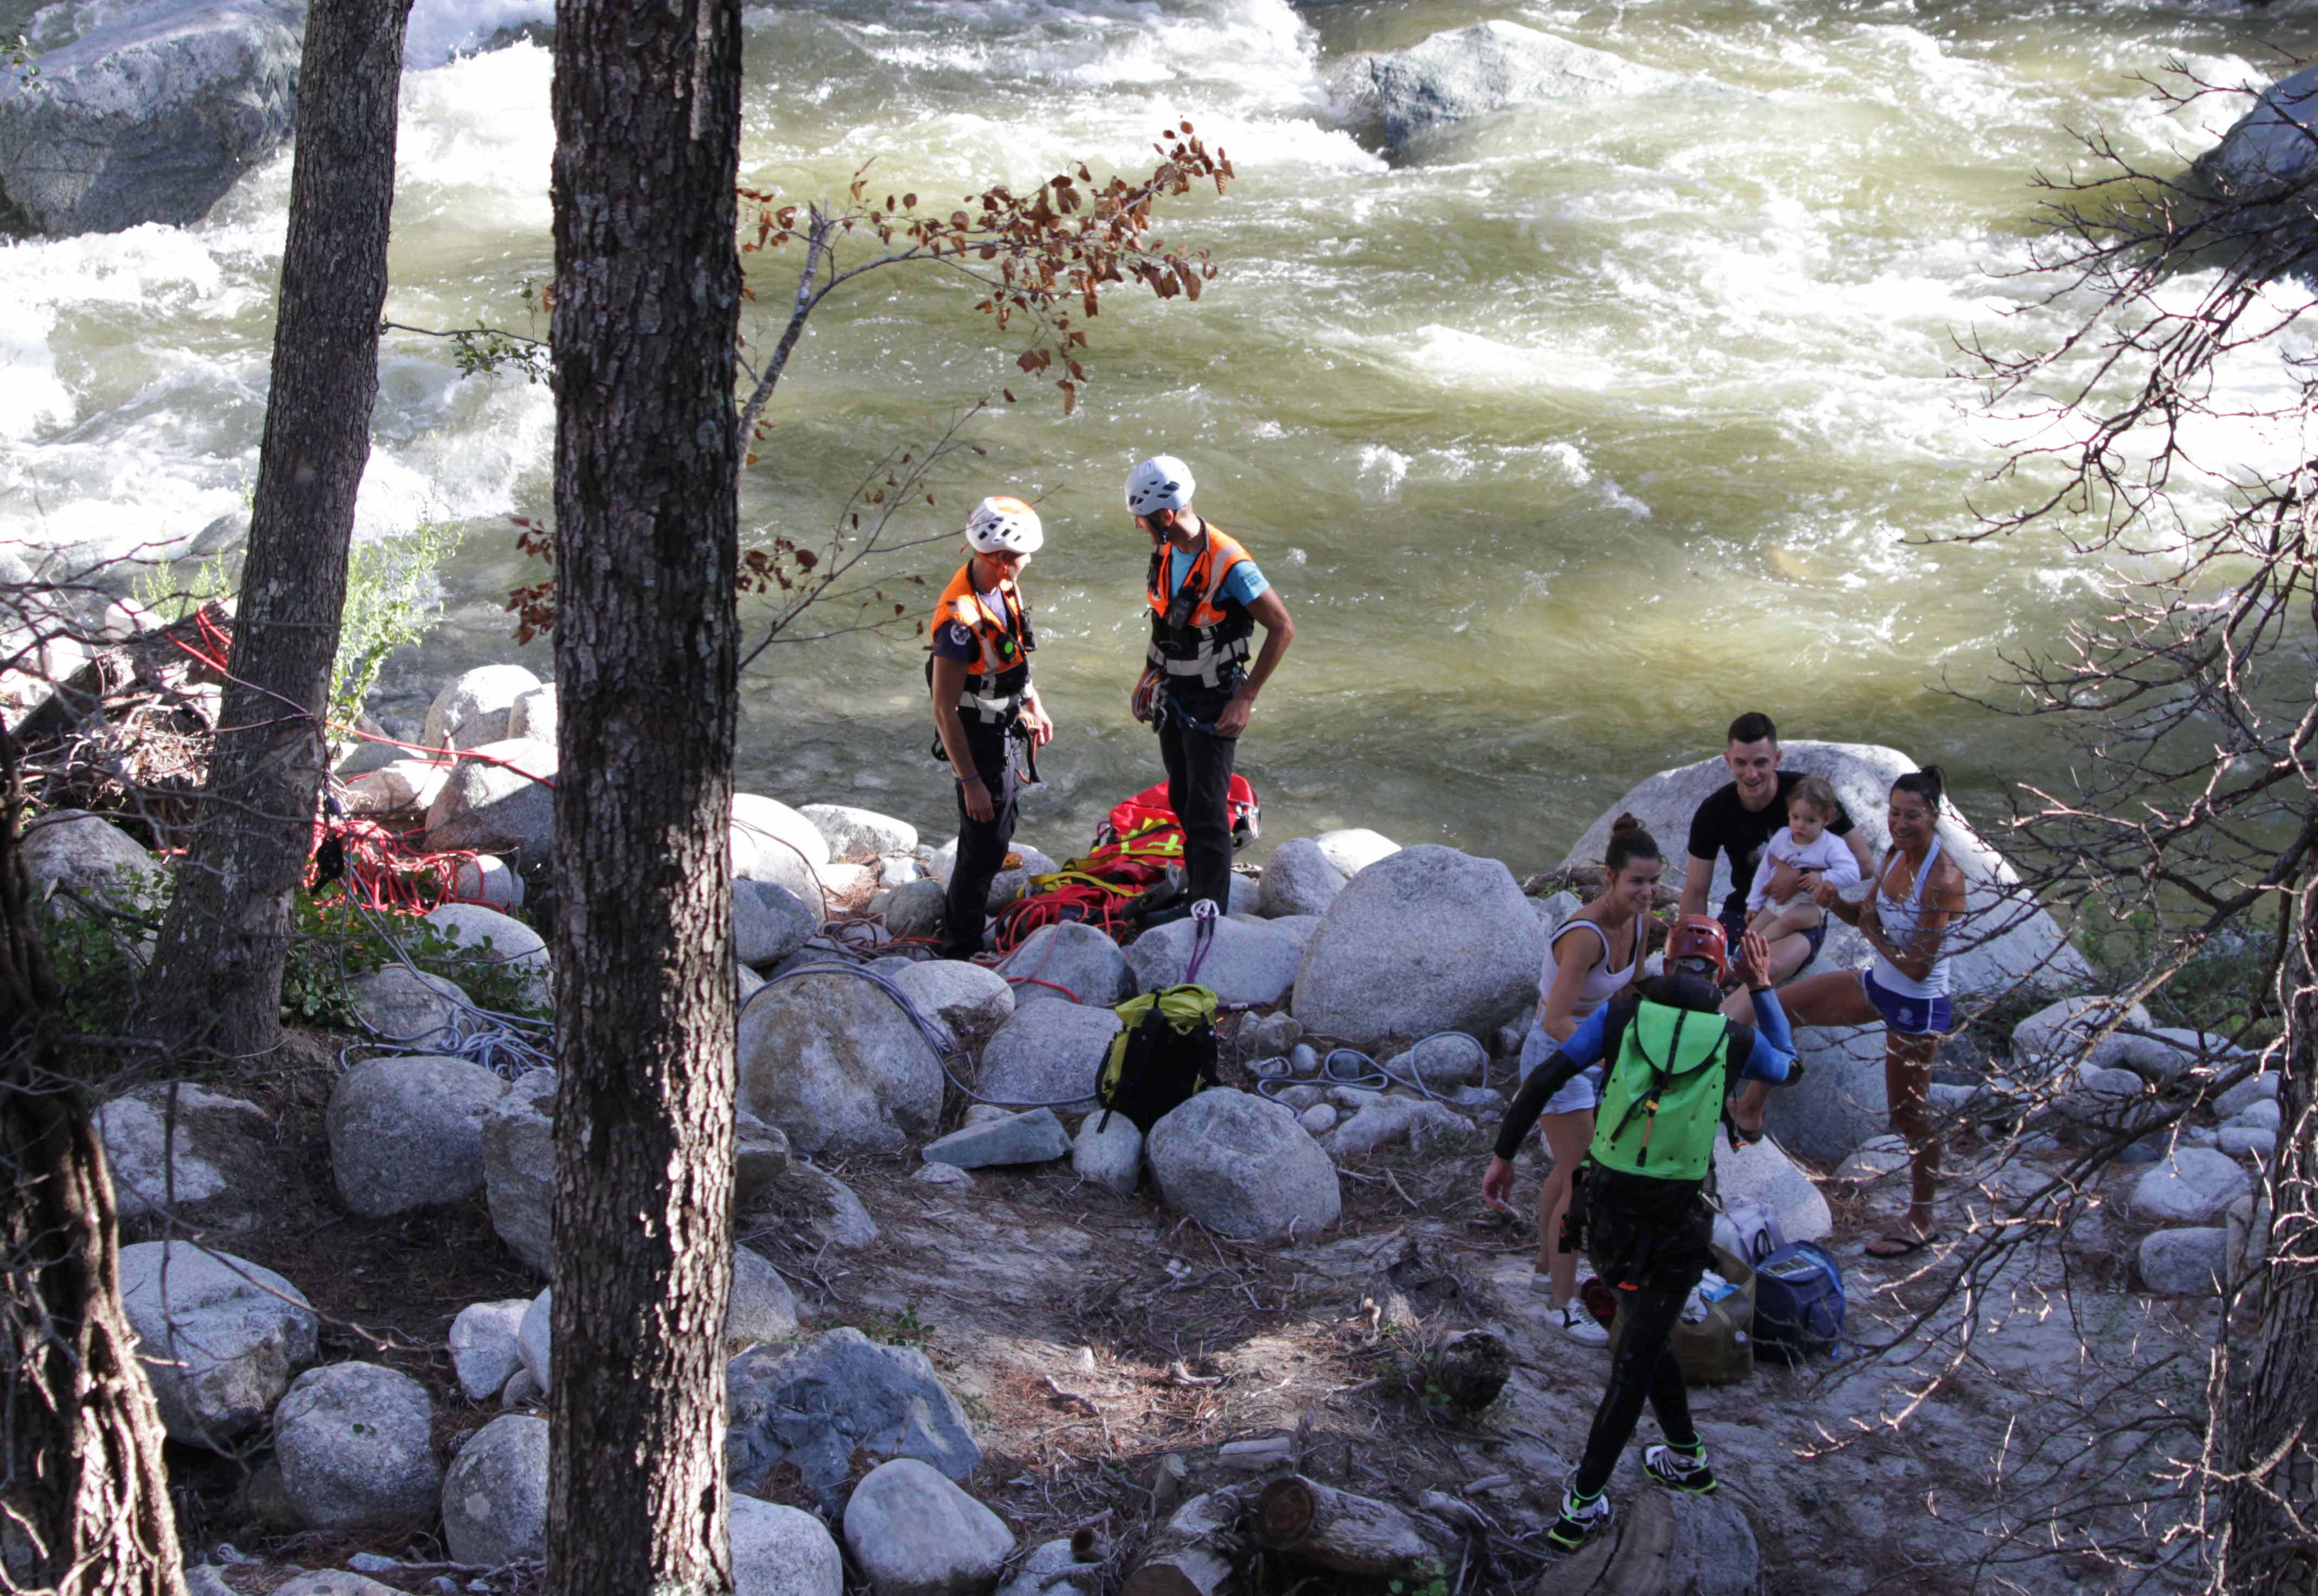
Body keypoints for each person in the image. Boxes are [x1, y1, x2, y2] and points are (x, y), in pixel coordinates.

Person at [1481, 919, 1797, 1552]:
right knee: (1636, 1354)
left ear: (1667, 961)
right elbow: (1789, 1066)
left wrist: (1504, 1155)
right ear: (1722, 973)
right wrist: (1764, 989)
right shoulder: (1734, 1038)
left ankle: (1685, 1455)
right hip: (1679, 1219)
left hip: (1608, 1213)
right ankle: (1583, 1505)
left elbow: (1545, 1077)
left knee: (1643, 1336)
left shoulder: (1623, 1018)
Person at [1732, 767, 1964, 1258]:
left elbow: (1920, 968)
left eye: (1913, 815)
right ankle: (1750, 1110)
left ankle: (1922, 1219)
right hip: (1880, 985)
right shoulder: (1895, 854)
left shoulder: (1943, 879)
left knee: (1909, 1116)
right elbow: (1866, 918)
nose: (1900, 823)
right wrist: (1834, 901)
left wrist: (1871, 935)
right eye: (1895, 813)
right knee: (1784, 1007)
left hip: (1917, 1007)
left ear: (1934, 816)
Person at [1125, 455, 1293, 911]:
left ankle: (1208, 908)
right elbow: (1166, 625)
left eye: (1141, 519)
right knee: (1182, 798)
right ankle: (1198, 890)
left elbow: (1282, 627)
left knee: (1206, 808)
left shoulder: (1230, 563)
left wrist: (1246, 698)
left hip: (1214, 699)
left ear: (1164, 515)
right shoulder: (1166, 549)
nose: (1138, 527)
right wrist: (1147, 678)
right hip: (1174, 693)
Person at [1519, 814, 1660, 1348]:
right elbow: (1556, 1019)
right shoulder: (1585, 936)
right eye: (1636, 883)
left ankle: (1542, 1272)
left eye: (1652, 882)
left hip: (1596, 1054)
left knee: (1568, 1169)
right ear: (1610, 877)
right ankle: (1560, 1305)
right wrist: (1610, 1060)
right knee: (1581, 1178)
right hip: (1555, 1057)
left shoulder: (1641, 922)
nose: (1647, 892)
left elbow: (1637, 985)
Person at [927, 496, 1055, 959]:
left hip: (1003, 722)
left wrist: (1033, 702)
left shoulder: (1000, 589)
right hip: (977, 738)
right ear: (1001, 560)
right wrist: (970, 782)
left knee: (997, 832)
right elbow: (945, 709)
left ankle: (966, 925)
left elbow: (1013, 653)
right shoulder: (958, 623)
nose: (1028, 562)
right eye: (1022, 556)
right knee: (984, 841)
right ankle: (959, 947)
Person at [1680, 711, 1874, 988]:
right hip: (1745, 911)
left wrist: (1800, 878)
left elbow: (1865, 865)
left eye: (1761, 763)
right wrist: (1688, 945)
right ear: (1727, 760)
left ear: (1778, 759)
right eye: (1741, 763)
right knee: (1709, 967)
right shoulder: (1714, 811)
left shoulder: (1809, 798)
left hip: (1802, 915)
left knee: (1767, 969)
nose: (1751, 774)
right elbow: (1696, 891)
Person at [1743, 775, 1861, 948]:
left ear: (1825, 820)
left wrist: (1822, 878)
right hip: (1777, 901)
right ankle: (1740, 956)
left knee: (1789, 920)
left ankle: (1757, 948)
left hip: (1810, 904)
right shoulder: (1782, 837)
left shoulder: (1832, 845)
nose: (1800, 825)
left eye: (1810, 821)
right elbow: (1765, 870)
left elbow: (1853, 875)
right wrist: (1754, 903)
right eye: (1795, 817)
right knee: (1750, 933)